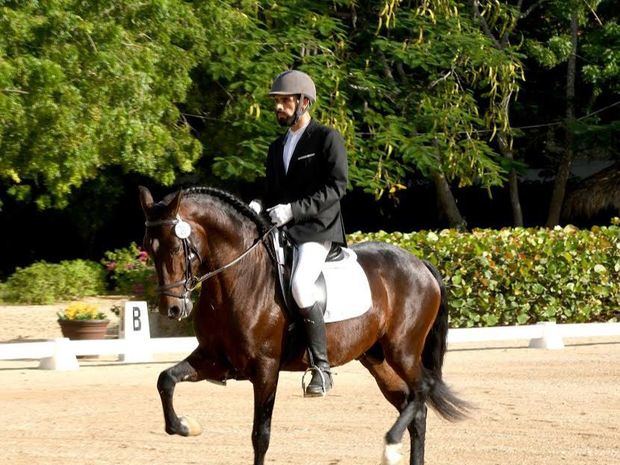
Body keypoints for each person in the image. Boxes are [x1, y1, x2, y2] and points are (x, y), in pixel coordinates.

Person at [250, 70, 348, 397]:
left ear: (304, 102)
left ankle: (321, 367)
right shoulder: (277, 147)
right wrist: (257, 205)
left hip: (317, 229)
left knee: (301, 286)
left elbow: (336, 187)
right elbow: (272, 192)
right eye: (276, 102)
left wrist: (293, 210)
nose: (278, 107)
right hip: (283, 228)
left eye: (284, 101)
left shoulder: (326, 138)